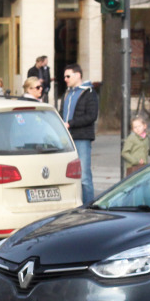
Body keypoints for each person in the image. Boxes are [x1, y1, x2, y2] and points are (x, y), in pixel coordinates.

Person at [60, 63, 99, 205]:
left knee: (84, 177)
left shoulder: (89, 92)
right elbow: (62, 113)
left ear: (78, 75)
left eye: (68, 76)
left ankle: (89, 205)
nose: (65, 79)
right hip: (66, 138)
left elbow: (91, 116)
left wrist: (70, 123)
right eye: (64, 76)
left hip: (82, 138)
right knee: (66, 175)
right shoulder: (68, 93)